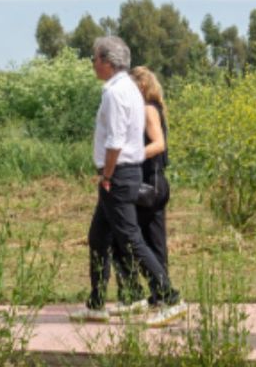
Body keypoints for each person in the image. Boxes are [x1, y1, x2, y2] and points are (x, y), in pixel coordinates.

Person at [69, 37, 185, 328]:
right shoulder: (130, 89)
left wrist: (106, 175)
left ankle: (169, 296)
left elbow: (116, 139)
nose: (93, 63)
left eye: (95, 58)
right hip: (125, 172)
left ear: (107, 62)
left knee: (131, 238)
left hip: (118, 174)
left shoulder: (115, 93)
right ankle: (96, 304)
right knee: (98, 237)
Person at [106, 66, 170, 316]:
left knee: (124, 238)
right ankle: (159, 295)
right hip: (155, 183)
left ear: (141, 87)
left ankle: (134, 292)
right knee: (153, 241)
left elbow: (158, 144)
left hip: (146, 184)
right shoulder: (154, 108)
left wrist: (131, 157)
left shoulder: (146, 109)